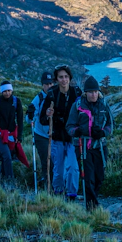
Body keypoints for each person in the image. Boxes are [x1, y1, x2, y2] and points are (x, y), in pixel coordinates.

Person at [66, 77, 113, 208]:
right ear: (85, 93)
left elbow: (110, 124)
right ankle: (92, 207)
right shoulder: (78, 106)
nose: (93, 94)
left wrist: (103, 132)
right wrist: (77, 131)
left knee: (99, 177)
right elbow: (69, 126)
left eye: (95, 92)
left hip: (100, 146)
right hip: (83, 147)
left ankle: (93, 200)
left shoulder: (104, 105)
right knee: (88, 178)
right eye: (90, 92)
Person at [40, 65, 82, 199]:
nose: (64, 80)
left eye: (66, 77)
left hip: (72, 138)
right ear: (57, 79)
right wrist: (48, 115)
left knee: (73, 168)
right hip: (57, 137)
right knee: (58, 170)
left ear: (70, 78)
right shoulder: (52, 94)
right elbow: (42, 119)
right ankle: (58, 193)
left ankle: (71, 195)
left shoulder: (77, 93)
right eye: (60, 77)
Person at [0, 81, 24, 185]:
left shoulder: (16, 101)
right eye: (5, 91)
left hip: (10, 134)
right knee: (7, 156)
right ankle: (10, 181)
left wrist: (19, 136)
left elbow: (20, 119)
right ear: (1, 91)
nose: (7, 93)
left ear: (11, 90)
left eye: (9, 90)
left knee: (5, 157)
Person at [27, 71, 55, 190]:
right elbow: (28, 119)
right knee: (46, 161)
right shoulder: (37, 99)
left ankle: (57, 186)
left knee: (56, 161)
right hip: (41, 135)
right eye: (46, 84)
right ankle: (47, 186)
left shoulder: (57, 95)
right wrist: (30, 115)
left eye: (51, 83)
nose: (49, 86)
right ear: (42, 85)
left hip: (55, 135)